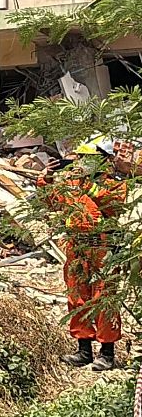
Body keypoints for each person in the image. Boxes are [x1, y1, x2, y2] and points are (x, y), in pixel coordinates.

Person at [54, 135, 127, 371]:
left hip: (102, 246)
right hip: (78, 245)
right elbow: (53, 202)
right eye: (82, 157)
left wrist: (90, 185)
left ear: (103, 160)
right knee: (77, 296)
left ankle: (106, 353)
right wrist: (45, 179)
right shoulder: (74, 183)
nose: (82, 162)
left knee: (103, 298)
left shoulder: (115, 184)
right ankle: (83, 349)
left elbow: (112, 205)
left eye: (89, 158)